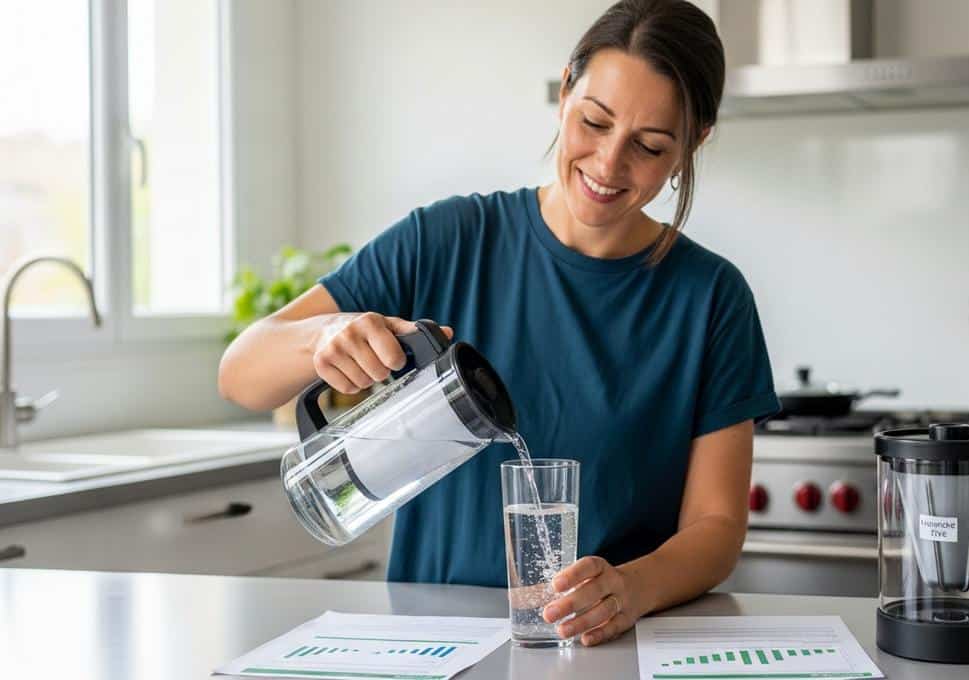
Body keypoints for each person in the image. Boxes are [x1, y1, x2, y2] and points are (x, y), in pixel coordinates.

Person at [218, 0, 777, 647]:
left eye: (649, 147)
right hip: (427, 645)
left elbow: (715, 526)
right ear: (565, 89)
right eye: (593, 122)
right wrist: (320, 339)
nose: (608, 163)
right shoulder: (447, 241)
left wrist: (631, 588)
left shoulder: (710, 297)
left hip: (605, 647)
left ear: (693, 144)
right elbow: (241, 375)